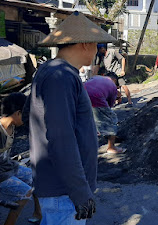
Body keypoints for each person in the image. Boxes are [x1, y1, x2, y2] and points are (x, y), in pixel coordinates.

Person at [27, 11, 116, 224]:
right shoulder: (62, 77)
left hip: (61, 189)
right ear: (85, 43)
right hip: (64, 192)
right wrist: (79, 192)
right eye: (96, 45)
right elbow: (61, 137)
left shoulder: (53, 71)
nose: (97, 51)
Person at [0, 93, 41, 225]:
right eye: (26, 113)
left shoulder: (11, 127)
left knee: (36, 176)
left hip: (6, 166)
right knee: (25, 191)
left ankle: (38, 213)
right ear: (18, 113)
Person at [84, 72, 126, 154]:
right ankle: (111, 147)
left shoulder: (96, 77)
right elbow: (109, 106)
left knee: (87, 119)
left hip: (80, 95)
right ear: (114, 80)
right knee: (111, 119)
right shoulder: (113, 86)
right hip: (95, 97)